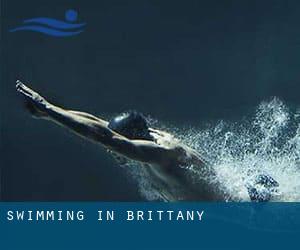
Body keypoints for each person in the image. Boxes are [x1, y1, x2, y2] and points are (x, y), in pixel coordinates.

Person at [15, 80, 277, 201]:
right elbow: (99, 126)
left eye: (115, 146)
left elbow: (105, 137)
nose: (111, 151)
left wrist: (48, 109)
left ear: (132, 140)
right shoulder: (146, 139)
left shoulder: (161, 154)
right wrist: (51, 113)